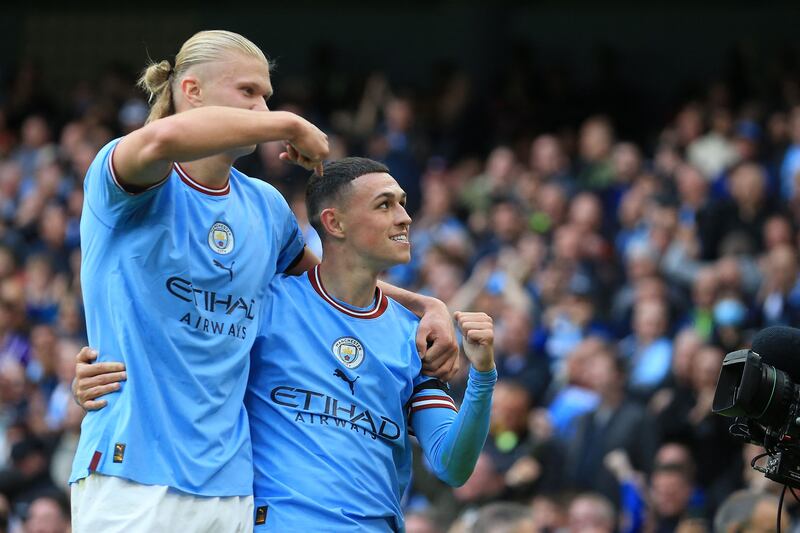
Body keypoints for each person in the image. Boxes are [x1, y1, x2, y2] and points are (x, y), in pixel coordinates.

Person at [71, 31, 458, 532]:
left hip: (231, 488)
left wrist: (428, 305)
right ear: (192, 91)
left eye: (268, 98)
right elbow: (163, 139)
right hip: (133, 471)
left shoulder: (266, 208)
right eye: (248, 92)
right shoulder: (131, 179)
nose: (262, 108)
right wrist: (290, 123)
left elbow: (330, 290)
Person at [78, 157, 496, 531]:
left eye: (403, 202)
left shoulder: (413, 335)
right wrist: (108, 370)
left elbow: (451, 463)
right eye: (385, 205)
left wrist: (482, 376)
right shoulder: (265, 306)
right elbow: (179, 351)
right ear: (335, 223)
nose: (405, 217)